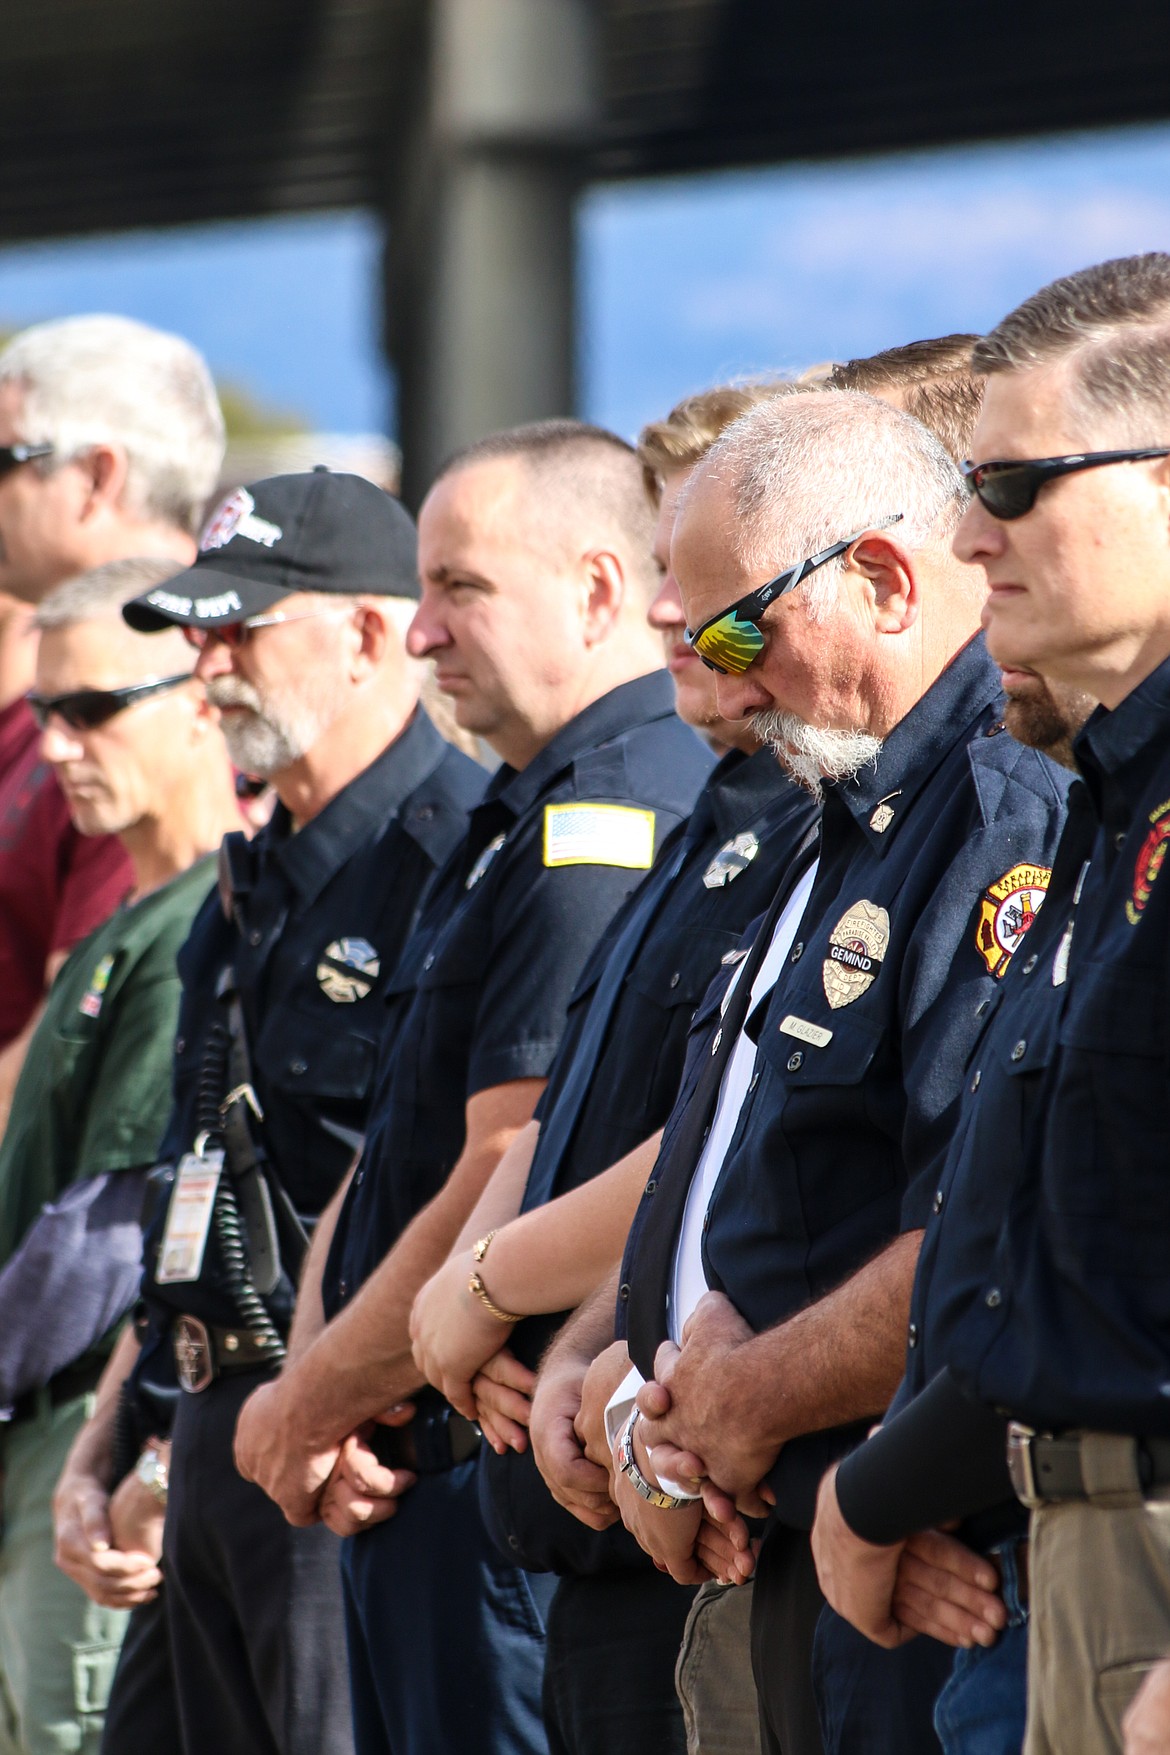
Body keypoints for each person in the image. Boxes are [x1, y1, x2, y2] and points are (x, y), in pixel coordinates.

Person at [554, 387, 1069, 1755]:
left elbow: (969, 1224)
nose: (719, 681)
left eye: (739, 628)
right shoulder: (833, 809)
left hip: (914, 1554)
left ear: (885, 580)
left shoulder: (992, 807)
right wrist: (651, 1399)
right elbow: (735, 1168)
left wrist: (756, 1413)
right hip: (783, 1525)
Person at [234, 419, 714, 1755]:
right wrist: (314, 1382)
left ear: (597, 589)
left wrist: (313, 1400)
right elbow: (390, 1146)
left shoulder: (603, 816)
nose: (422, 632)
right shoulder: (511, 815)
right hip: (412, 1462)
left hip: (492, 1472)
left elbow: (504, 1156)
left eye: (462, 588)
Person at [407, 382, 820, 1755]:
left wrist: (483, 1290)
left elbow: (732, 1133)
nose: (664, 610)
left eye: (704, 578)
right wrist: (508, 1316)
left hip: (696, 1500)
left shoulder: (753, 811)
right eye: (661, 567)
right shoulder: (713, 808)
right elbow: (570, 1124)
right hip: (581, 1475)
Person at [54, 469, 484, 1755]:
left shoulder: (453, 856)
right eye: (198, 632)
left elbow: (458, 1181)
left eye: (243, 626)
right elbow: (203, 1180)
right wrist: (115, 1437)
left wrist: (309, 1412)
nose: (211, 662)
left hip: (347, 1458)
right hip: (203, 1444)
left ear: (366, 632)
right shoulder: (248, 886)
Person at [812, 250, 1170, 1755]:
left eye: (1015, 485)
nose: (968, 533)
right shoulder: (1109, 797)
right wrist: (872, 1486)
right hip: (1063, 1550)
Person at [0, 555, 239, 1754]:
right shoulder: (136, 919)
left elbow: (105, 1234)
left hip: (92, 1411)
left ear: (202, 693)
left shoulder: (203, 912)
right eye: (44, 711)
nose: (56, 745)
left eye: (93, 709)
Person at [0, 315, 224, 1102]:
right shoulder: (73, 689)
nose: (67, 742)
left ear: (98, 475)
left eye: (5, 461)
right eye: (55, 711)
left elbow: (67, 1046)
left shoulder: (167, 686)